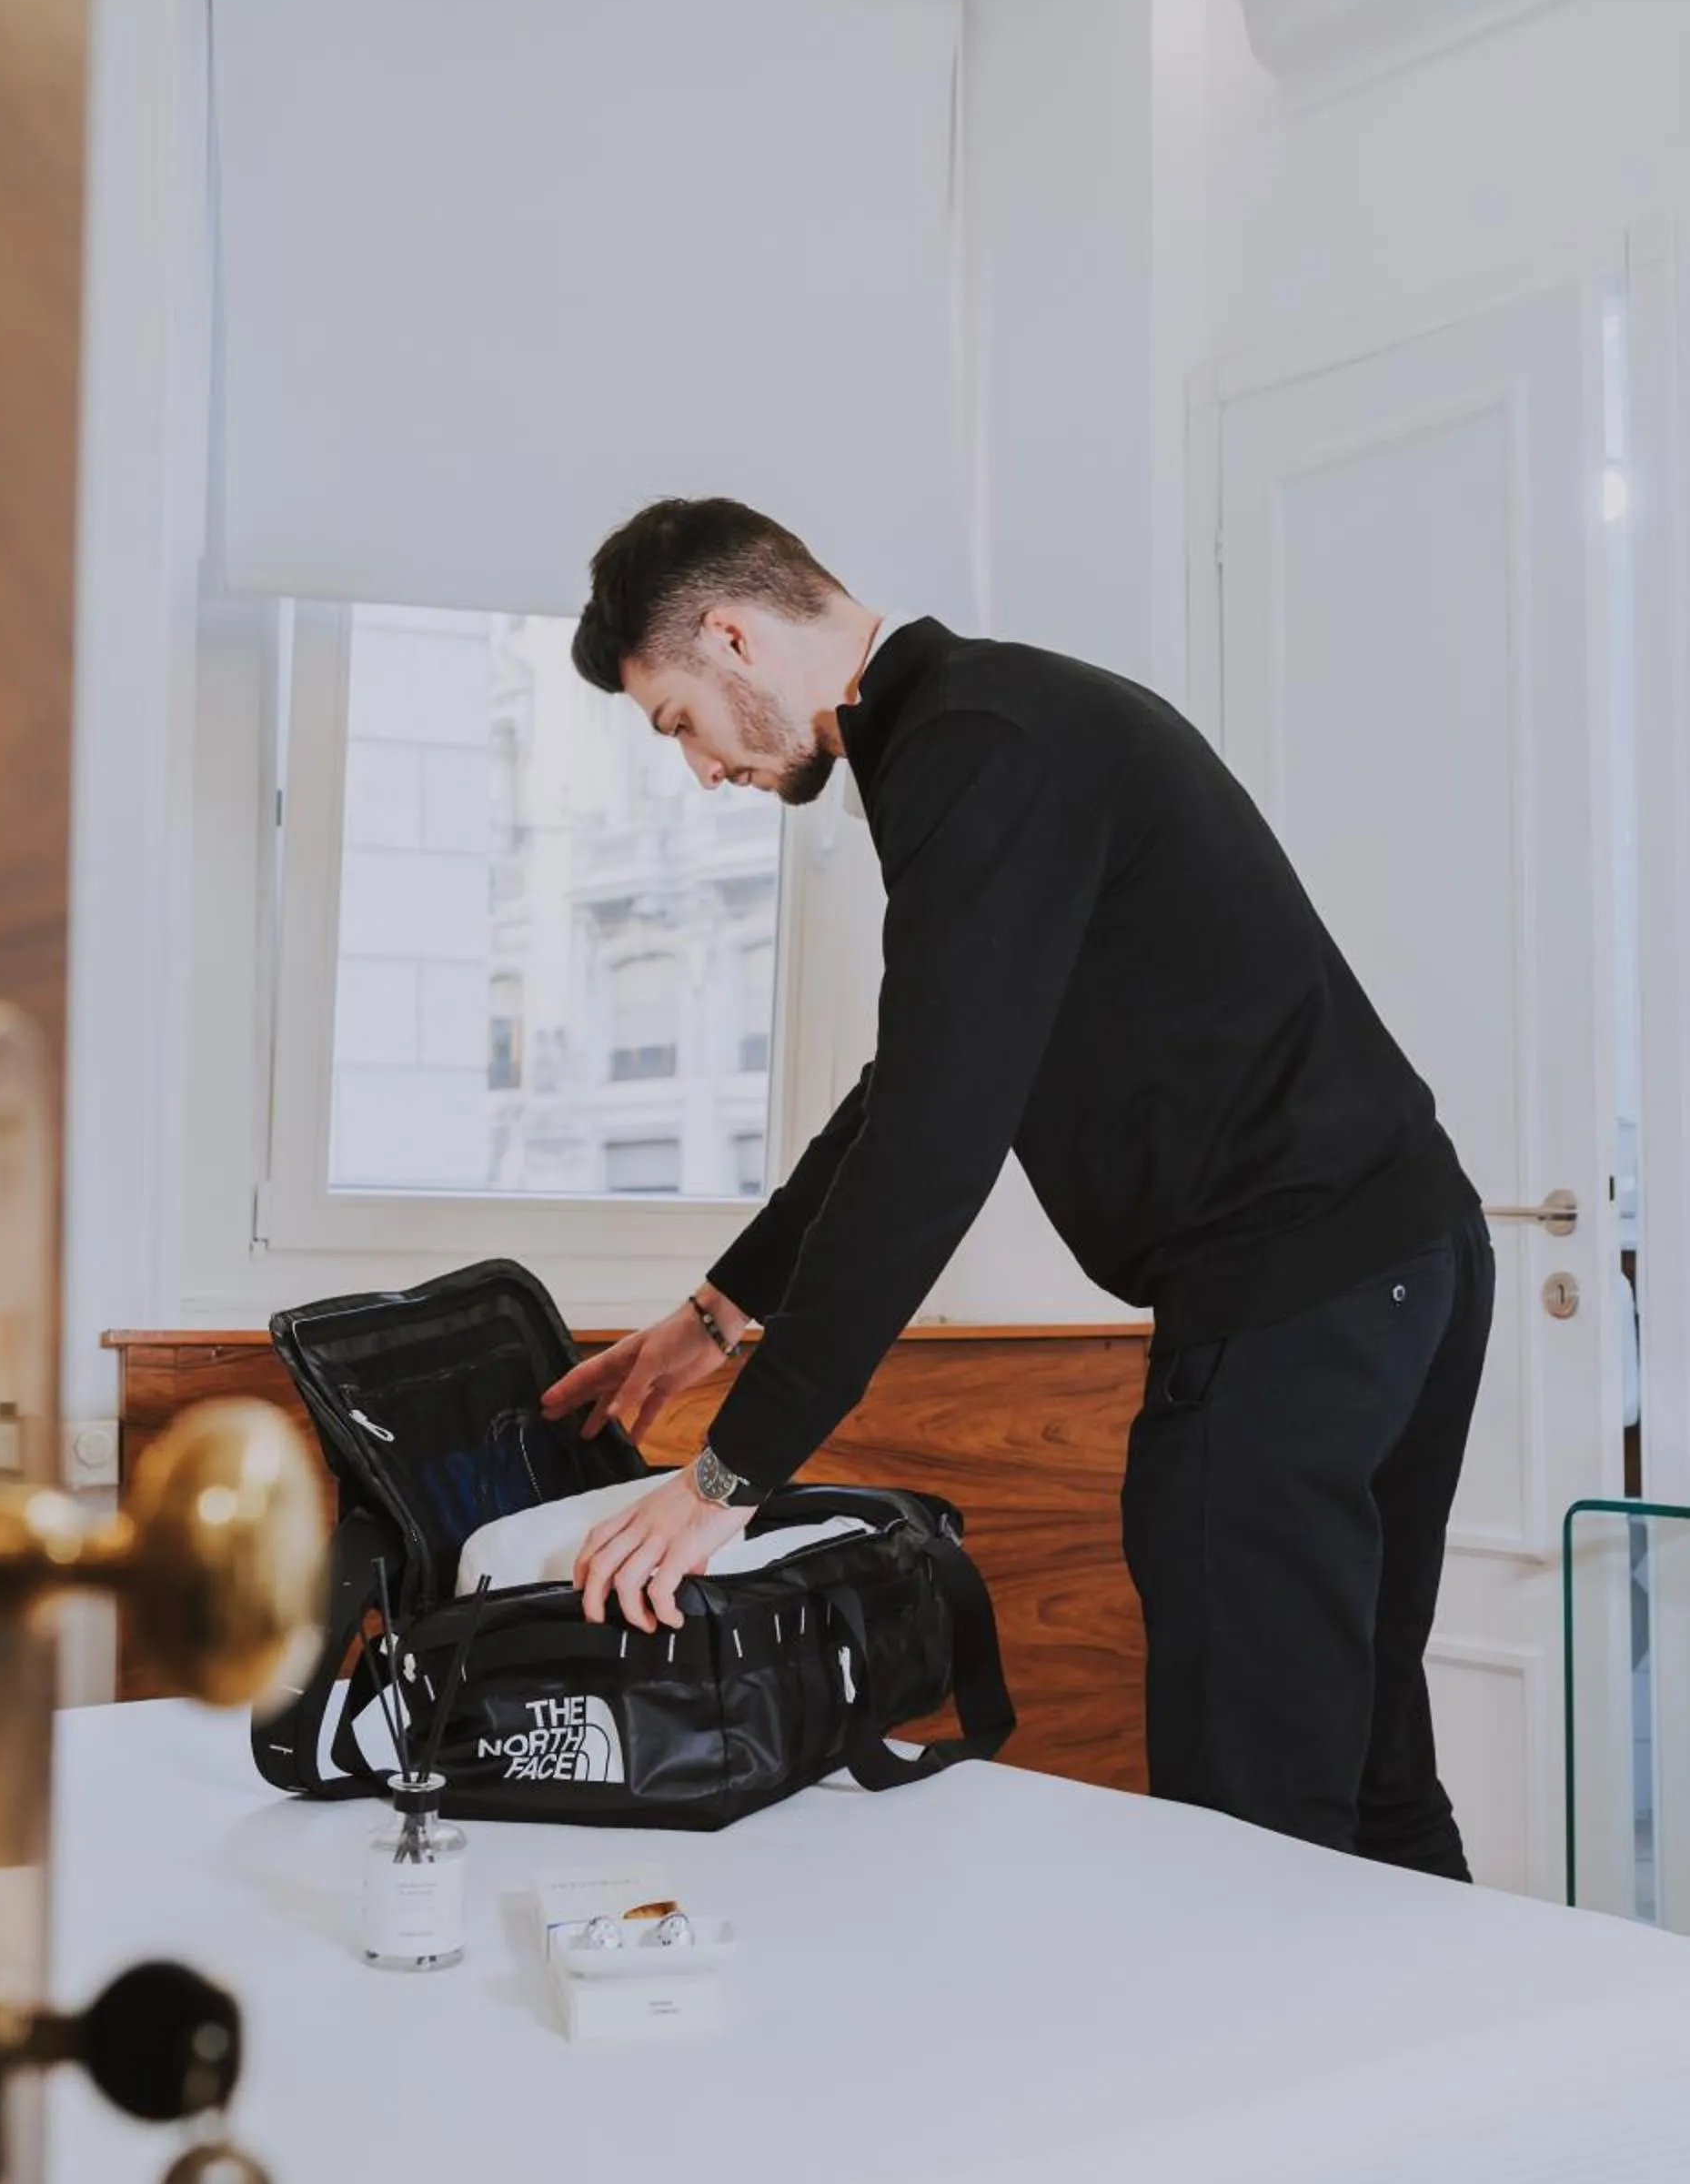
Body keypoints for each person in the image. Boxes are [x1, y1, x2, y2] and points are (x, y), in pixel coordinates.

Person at [539, 498, 1492, 1878]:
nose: (698, 769)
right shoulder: (997, 722)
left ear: (733, 634)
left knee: (1254, 1837)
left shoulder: (972, 752)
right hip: (1407, 1266)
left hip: (1289, 1305)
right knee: (1368, 1767)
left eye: (677, 720)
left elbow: (933, 1148)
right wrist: (713, 1314)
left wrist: (728, 1479)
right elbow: (911, 1088)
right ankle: (1471, 2090)